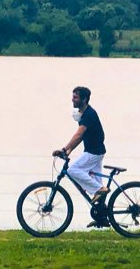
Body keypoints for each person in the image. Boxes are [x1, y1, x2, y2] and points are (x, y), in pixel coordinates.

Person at [53, 86, 108, 228]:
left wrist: (64, 148)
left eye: (75, 97)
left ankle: (99, 190)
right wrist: (69, 151)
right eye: (73, 96)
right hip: (94, 151)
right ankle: (102, 217)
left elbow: (78, 135)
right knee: (96, 185)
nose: (72, 99)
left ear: (84, 99)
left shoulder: (89, 114)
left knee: (72, 171)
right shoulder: (83, 114)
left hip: (93, 152)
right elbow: (80, 138)